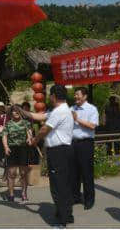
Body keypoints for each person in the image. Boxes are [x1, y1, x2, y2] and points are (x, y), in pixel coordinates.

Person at [18, 85, 75, 227]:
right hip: (63, 151)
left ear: (54, 96)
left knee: (58, 186)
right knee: (64, 185)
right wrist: (22, 111)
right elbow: (40, 116)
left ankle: (62, 221)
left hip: (59, 152)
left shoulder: (59, 111)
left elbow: (44, 129)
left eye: (50, 95)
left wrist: (34, 140)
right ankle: (67, 215)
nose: (49, 97)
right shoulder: (60, 110)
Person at [71, 87, 99, 210]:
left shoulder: (91, 109)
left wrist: (77, 119)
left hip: (85, 143)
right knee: (74, 172)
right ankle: (75, 196)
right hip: (72, 143)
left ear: (85, 96)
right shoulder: (71, 109)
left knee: (86, 172)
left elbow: (92, 126)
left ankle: (89, 200)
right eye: (75, 95)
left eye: (78, 95)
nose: (75, 97)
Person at [2, 105, 32, 202]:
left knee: (23, 173)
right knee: (12, 173)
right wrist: (6, 147)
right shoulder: (8, 124)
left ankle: (24, 193)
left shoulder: (26, 123)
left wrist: (29, 138)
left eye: (18, 111)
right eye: (14, 111)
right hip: (12, 149)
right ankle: (11, 194)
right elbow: (4, 136)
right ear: (11, 113)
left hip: (23, 148)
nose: (16, 113)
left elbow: (29, 133)